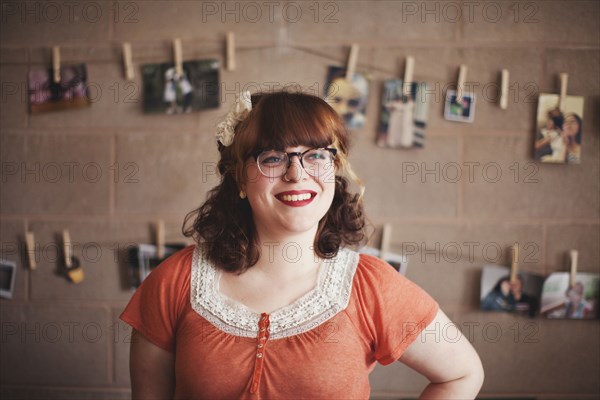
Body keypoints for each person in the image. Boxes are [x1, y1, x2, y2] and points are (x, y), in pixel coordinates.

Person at [121, 90, 484, 399]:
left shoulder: (371, 286)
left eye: (316, 155)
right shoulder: (174, 281)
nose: (297, 174)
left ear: (335, 168)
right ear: (239, 179)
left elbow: (462, 374)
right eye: (273, 158)